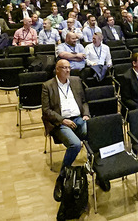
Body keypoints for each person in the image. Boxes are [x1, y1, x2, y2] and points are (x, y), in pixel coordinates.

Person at [41, 60, 91, 192]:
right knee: (75, 144)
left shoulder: (76, 81)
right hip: (60, 122)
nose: (68, 70)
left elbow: (84, 102)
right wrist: (63, 120)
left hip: (78, 119)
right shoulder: (48, 86)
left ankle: (96, 168)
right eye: (64, 68)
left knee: (93, 134)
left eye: (69, 68)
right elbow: (46, 111)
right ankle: (63, 176)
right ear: (57, 70)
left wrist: (86, 114)